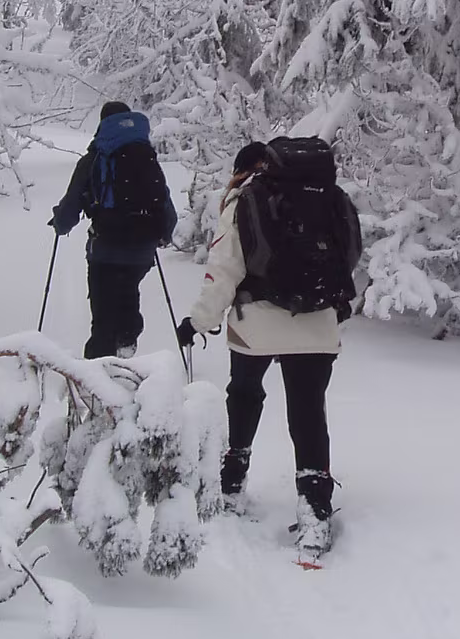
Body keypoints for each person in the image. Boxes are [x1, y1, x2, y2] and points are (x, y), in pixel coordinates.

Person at [177, 138, 360, 557]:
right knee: (308, 411)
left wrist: (198, 322)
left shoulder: (245, 201)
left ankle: (231, 482)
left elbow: (223, 271)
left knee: (244, 393)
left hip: (255, 323)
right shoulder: (330, 198)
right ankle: (315, 511)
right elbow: (349, 253)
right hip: (317, 323)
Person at [51, 101, 177, 359]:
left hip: (105, 248)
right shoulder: (145, 156)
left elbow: (72, 202)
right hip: (142, 249)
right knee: (128, 288)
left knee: (103, 310)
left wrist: (60, 223)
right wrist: (163, 235)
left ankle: (98, 365)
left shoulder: (94, 159)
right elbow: (165, 203)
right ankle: (127, 338)